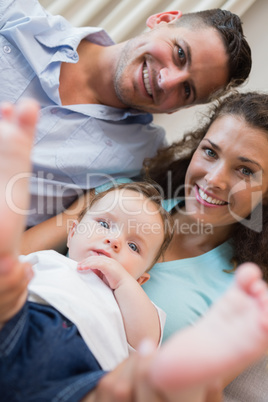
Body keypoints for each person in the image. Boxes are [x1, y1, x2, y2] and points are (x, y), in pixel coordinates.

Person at [1, 100, 268, 402]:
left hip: (96, 378)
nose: (214, 179)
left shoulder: (246, 295)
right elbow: (21, 255)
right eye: (210, 151)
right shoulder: (123, 198)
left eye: (245, 170)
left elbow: (193, 391)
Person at [0, 0, 252, 227]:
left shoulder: (143, 159)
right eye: (180, 54)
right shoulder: (13, 14)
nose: (166, 80)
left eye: (186, 90)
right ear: (162, 20)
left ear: (180, 109)